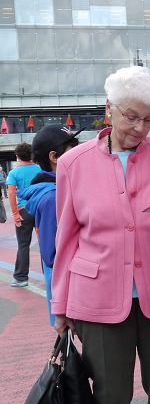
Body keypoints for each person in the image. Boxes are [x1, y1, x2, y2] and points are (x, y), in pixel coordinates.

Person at [51, 66, 150, 404]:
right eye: (132, 117)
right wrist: (59, 305)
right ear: (109, 108)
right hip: (98, 298)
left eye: (149, 120)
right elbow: (66, 239)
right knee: (110, 398)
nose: (140, 128)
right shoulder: (73, 164)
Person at [20, 125, 81, 325]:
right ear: (55, 157)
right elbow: (55, 258)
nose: (80, 152)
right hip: (74, 301)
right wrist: (60, 312)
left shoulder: (59, 190)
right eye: (73, 147)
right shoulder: (53, 198)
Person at [6, 143, 41, 287]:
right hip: (39, 210)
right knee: (46, 243)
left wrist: (15, 214)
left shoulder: (14, 173)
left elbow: (12, 194)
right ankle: (51, 274)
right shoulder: (39, 169)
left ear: (18, 156)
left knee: (23, 244)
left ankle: (21, 278)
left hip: (23, 212)